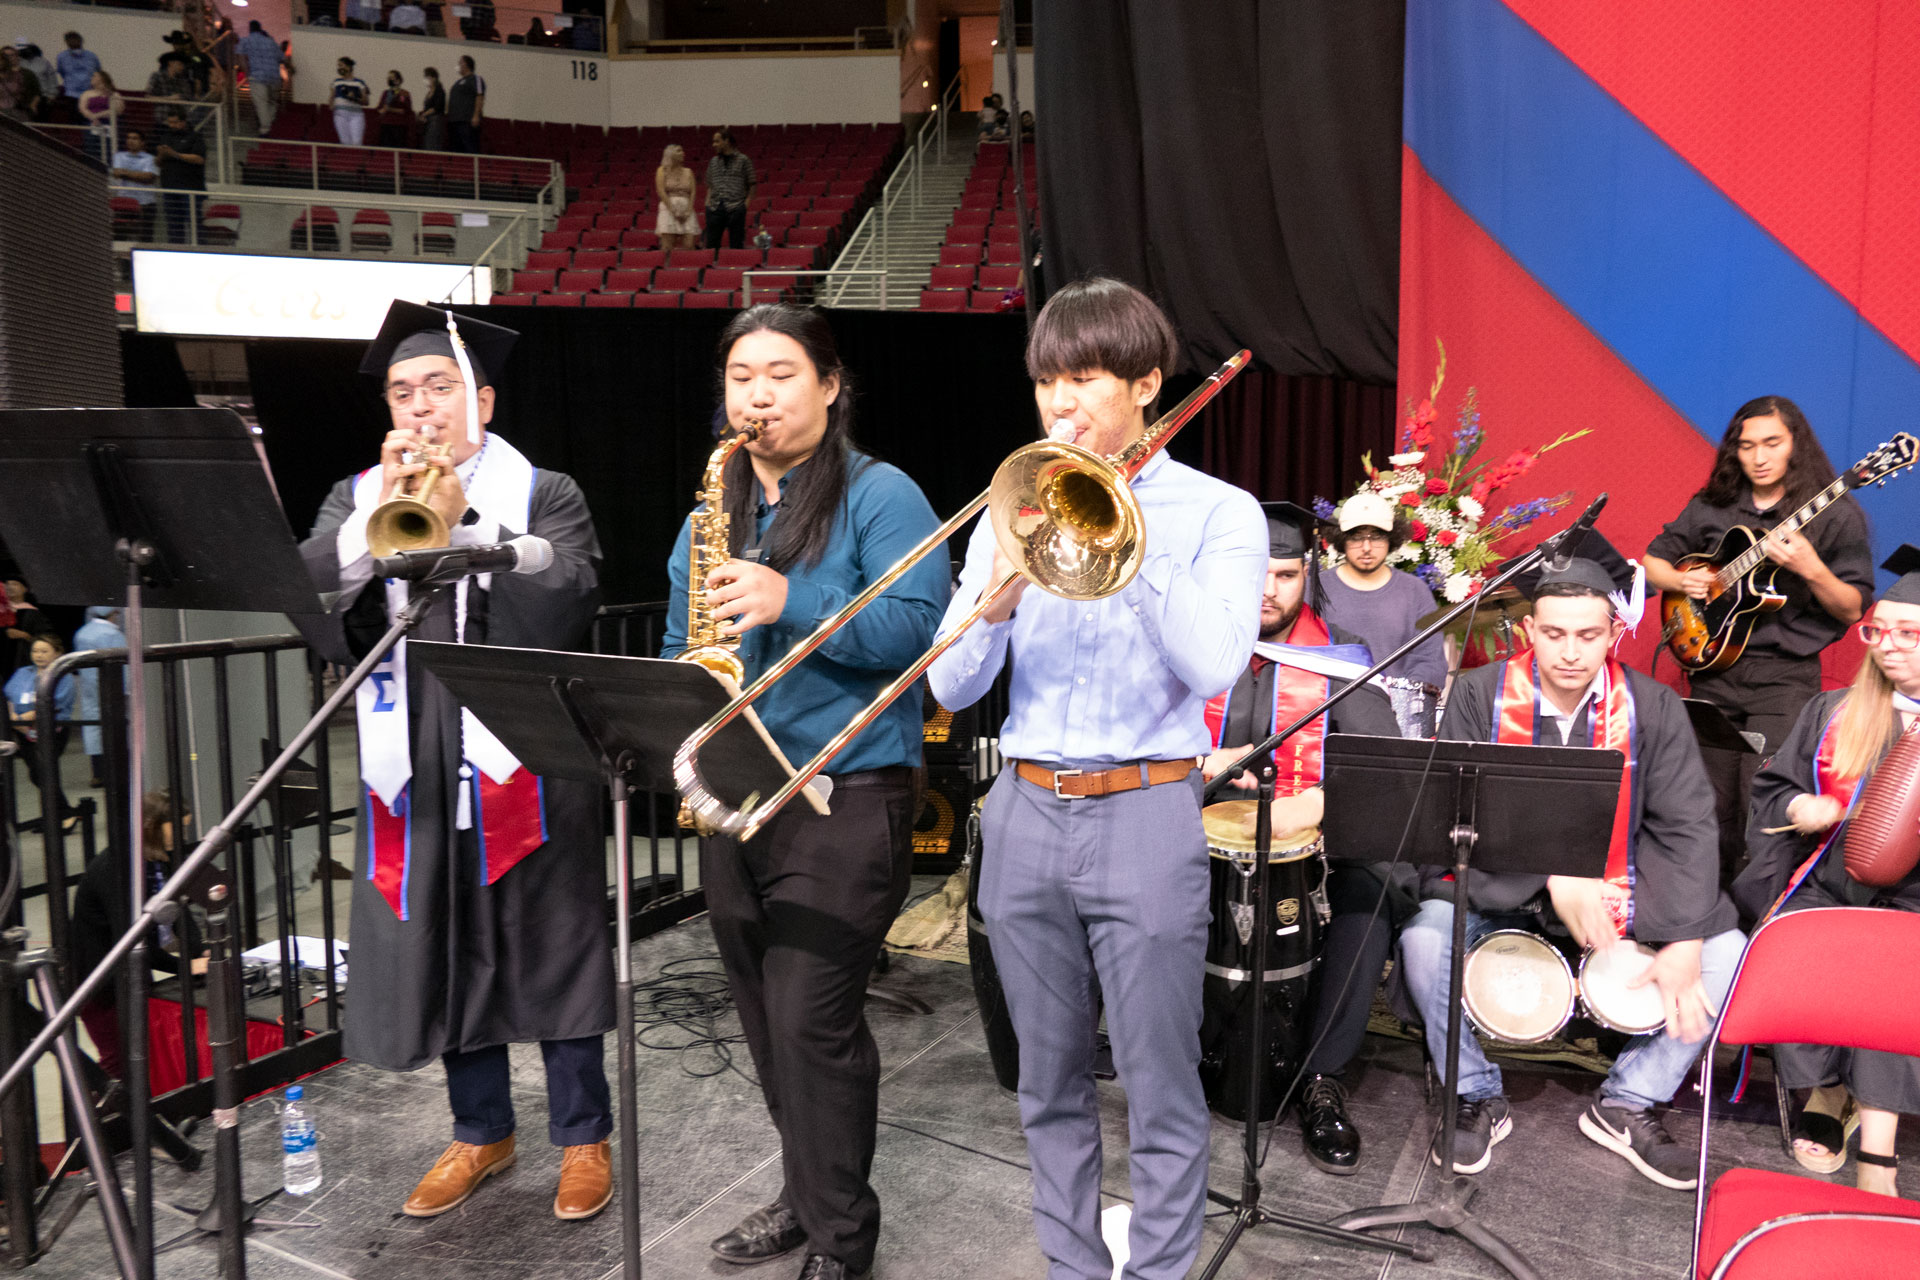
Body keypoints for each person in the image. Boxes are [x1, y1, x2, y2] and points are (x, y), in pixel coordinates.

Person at [928, 278, 1268, 1280]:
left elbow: (1214, 665)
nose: (1061, 404)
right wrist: (988, 601)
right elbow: (950, 681)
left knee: (1161, 1085)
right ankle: (1072, 1267)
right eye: (1047, 383)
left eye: (1084, 379)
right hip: (1025, 809)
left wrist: (1128, 530)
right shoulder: (1012, 504)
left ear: (1146, 383)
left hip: (1148, 807)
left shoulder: (1220, 512)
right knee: (1046, 1081)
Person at [295, 302, 614, 1221]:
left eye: (439, 388)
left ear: (482, 398)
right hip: (418, 753)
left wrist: (461, 517)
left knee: (547, 939)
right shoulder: (358, 498)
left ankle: (582, 1133)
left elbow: (570, 597)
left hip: (525, 748)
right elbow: (311, 594)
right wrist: (378, 528)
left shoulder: (542, 491)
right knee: (446, 935)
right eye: (403, 394)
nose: (421, 409)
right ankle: (481, 1132)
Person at [663, 305, 946, 1280]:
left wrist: (796, 601)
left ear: (831, 384)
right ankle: (807, 1193)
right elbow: (678, 644)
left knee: (809, 1017)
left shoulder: (882, 493)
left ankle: (841, 1237)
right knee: (761, 1016)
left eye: (781, 373)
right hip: (738, 795)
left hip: (847, 792)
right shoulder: (714, 510)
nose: (757, 394)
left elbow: (922, 630)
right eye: (741, 375)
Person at [1396, 556, 1745, 1188]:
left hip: (1623, 886)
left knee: (1725, 950)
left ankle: (1628, 1101)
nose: (1569, 652)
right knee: (1424, 939)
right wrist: (1554, 871)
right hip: (1503, 885)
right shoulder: (1481, 694)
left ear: (1613, 634)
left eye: (1588, 635)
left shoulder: (1652, 706)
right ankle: (1474, 1092)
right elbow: (1458, 811)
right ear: (1529, 629)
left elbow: (1688, 823)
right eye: (1554, 634)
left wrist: (1686, 937)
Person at [1199, 502, 1407, 1176]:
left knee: (1369, 897)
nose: (1267, 591)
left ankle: (1322, 1078)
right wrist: (1206, 768)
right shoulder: (1196, 646)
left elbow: (1384, 766)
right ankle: (1173, 1055)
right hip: (1196, 836)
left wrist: (1319, 800)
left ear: (1307, 572)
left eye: (1284, 575)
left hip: (1312, 849)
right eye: (1254, 575)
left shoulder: (1340, 655)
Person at [1732, 544, 1920, 1197]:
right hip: (1828, 880)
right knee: (1798, 933)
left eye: (1908, 633)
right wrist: (1797, 802)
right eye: (1878, 631)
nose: (1887, 646)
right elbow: (1773, 787)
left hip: (1913, 902)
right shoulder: (1835, 710)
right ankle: (1828, 1089)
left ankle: (1879, 1153)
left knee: (1895, 961)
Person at [1645, 396, 1874, 891]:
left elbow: (1852, 608)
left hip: (1784, 681)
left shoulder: (1835, 513)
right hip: (1711, 671)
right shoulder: (1714, 504)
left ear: (1797, 445)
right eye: (1747, 446)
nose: (1759, 457)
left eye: (1772, 443)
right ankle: (1699, 911)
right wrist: (1686, 584)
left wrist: (1810, 568)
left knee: (1763, 801)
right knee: (1704, 802)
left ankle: (1757, 924)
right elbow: (1655, 559)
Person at [70, 792, 203, 1077]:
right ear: (152, 826)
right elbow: (130, 940)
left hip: (132, 977)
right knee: (119, 1062)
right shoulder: (115, 870)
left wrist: (199, 951)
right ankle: (107, 1120)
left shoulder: (158, 860)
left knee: (144, 1055)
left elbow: (179, 908)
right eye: (177, 828)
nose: (182, 835)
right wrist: (185, 966)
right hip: (100, 983)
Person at [1318, 491, 1449, 737]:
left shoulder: (1415, 591)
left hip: (1395, 722)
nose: (1366, 547)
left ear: (1392, 539)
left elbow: (1430, 661)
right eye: (1356, 537)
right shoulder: (1317, 588)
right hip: (1324, 718)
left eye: (1376, 536)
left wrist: (1400, 699)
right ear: (1340, 539)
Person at [7, 635, 76, 823]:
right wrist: (14, 718)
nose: (39, 655)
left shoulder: (63, 676)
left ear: (57, 653)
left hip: (51, 732)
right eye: (35, 651)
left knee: (40, 772)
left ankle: (63, 814)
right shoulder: (23, 672)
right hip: (21, 732)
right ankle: (59, 815)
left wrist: (20, 719)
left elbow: (48, 706)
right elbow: (9, 697)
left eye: (44, 651)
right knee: (39, 773)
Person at [71, 606, 126, 788]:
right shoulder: (112, 635)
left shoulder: (82, 633)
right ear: (113, 613)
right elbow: (124, 666)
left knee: (94, 728)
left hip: (89, 687)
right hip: (111, 687)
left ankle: (98, 772)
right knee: (116, 729)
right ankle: (116, 772)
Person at [153, 107, 206, 246]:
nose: (172, 126)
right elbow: (158, 163)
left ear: (183, 121)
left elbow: (199, 159)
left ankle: (198, 250)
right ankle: (176, 249)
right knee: (173, 224)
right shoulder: (166, 137)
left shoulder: (195, 137)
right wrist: (161, 154)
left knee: (194, 223)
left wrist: (175, 154)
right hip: (170, 188)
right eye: (170, 122)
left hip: (190, 189)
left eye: (175, 122)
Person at [703, 127, 755, 250]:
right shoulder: (713, 161)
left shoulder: (743, 160)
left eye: (717, 141)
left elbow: (752, 184)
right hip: (715, 208)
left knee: (736, 245)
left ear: (727, 141)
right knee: (711, 246)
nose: (714, 145)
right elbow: (709, 185)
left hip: (736, 207)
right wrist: (707, 204)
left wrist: (744, 206)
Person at [236, 20, 283, 134]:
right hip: (274, 76)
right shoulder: (270, 41)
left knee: (261, 103)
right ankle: (270, 121)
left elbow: (240, 57)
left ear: (250, 29)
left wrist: (247, 73)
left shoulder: (245, 41)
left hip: (257, 76)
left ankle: (265, 128)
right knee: (272, 101)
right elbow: (281, 57)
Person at [654, 143, 699, 250]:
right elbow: (661, 191)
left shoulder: (688, 172)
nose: (683, 153)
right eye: (679, 151)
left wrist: (688, 211)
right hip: (669, 209)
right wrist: (674, 211)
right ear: (671, 154)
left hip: (686, 209)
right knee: (668, 246)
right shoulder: (662, 170)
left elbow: (692, 192)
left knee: (689, 245)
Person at [5, 577, 56, 674]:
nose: (10, 587)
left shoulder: (33, 613)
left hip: (21, 661)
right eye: (7, 584)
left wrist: (25, 635)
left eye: (14, 584)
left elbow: (46, 637)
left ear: (25, 589)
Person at [79, 69, 121, 162]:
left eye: (94, 76)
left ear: (102, 79)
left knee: (108, 149)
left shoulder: (114, 94)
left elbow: (117, 109)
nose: (92, 78)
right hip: (92, 124)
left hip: (109, 124)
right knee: (92, 149)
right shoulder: (87, 93)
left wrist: (97, 115)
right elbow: (83, 108)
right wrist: (92, 117)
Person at [329, 56, 370, 147]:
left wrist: (354, 97)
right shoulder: (336, 82)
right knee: (344, 141)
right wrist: (331, 105)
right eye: (338, 66)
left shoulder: (359, 82)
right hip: (340, 114)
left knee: (356, 142)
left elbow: (366, 102)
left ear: (348, 67)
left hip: (356, 114)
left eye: (341, 65)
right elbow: (332, 97)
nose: (339, 68)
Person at [448, 55, 484, 153]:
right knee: (457, 150)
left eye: (460, 63)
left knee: (469, 148)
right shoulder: (458, 82)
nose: (458, 65)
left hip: (467, 121)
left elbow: (479, 95)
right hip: (455, 121)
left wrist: (476, 115)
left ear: (466, 64)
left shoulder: (475, 78)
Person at [56, 31, 100, 104]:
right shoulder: (62, 57)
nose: (74, 43)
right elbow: (61, 72)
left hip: (88, 94)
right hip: (72, 94)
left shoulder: (91, 56)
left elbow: (98, 73)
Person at [375, 70, 412, 148]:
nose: (389, 79)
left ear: (398, 80)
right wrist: (382, 110)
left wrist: (390, 109)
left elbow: (406, 110)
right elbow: (379, 107)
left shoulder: (404, 93)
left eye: (391, 77)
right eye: (388, 78)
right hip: (386, 123)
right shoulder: (386, 93)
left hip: (399, 125)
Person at [14, 40, 55, 105]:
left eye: (28, 49)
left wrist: (52, 95)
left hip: (43, 96)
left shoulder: (44, 62)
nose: (26, 51)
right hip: (23, 97)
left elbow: (52, 79)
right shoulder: (17, 63)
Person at [417, 66, 447, 152]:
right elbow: (426, 107)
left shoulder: (440, 91)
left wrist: (424, 114)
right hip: (427, 121)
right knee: (426, 143)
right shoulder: (429, 92)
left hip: (436, 121)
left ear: (434, 78)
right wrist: (423, 116)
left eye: (427, 77)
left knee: (433, 143)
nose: (425, 79)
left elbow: (437, 107)